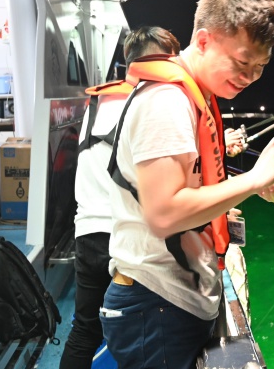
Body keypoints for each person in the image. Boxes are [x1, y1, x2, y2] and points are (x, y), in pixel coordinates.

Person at [100, 0, 274, 369]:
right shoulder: (167, 102)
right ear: (204, 40)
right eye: (243, 62)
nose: (250, 77)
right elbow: (165, 213)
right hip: (155, 306)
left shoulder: (198, 94)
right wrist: (255, 177)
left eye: (260, 67)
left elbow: (192, 187)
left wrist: (255, 188)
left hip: (175, 301)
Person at [58, 26, 181, 369]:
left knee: (84, 330)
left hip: (87, 234)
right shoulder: (150, 104)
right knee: (141, 333)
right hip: (126, 239)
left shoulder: (97, 103)